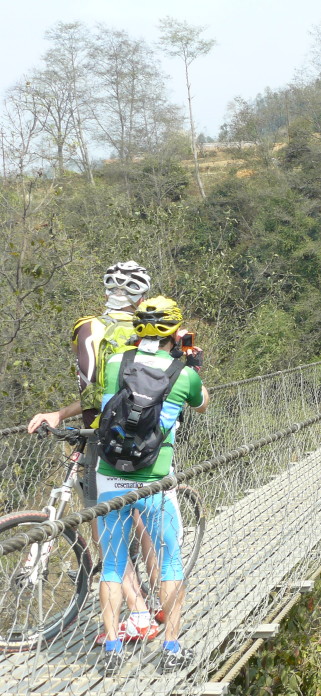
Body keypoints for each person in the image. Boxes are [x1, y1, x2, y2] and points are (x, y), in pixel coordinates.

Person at [26, 261, 160, 645]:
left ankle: (138, 614)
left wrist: (65, 416)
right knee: (139, 513)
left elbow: (93, 391)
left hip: (103, 437)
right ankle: (163, 599)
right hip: (148, 437)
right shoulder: (150, 333)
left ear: (106, 291)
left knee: (105, 525)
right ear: (141, 298)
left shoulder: (88, 327)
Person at [96, 296, 209, 676]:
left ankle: (112, 649)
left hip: (109, 476)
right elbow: (203, 404)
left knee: (112, 564)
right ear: (175, 333)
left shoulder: (115, 363)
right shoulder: (184, 374)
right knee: (170, 561)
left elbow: (105, 405)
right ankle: (172, 649)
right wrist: (192, 366)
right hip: (155, 482)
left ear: (137, 328)